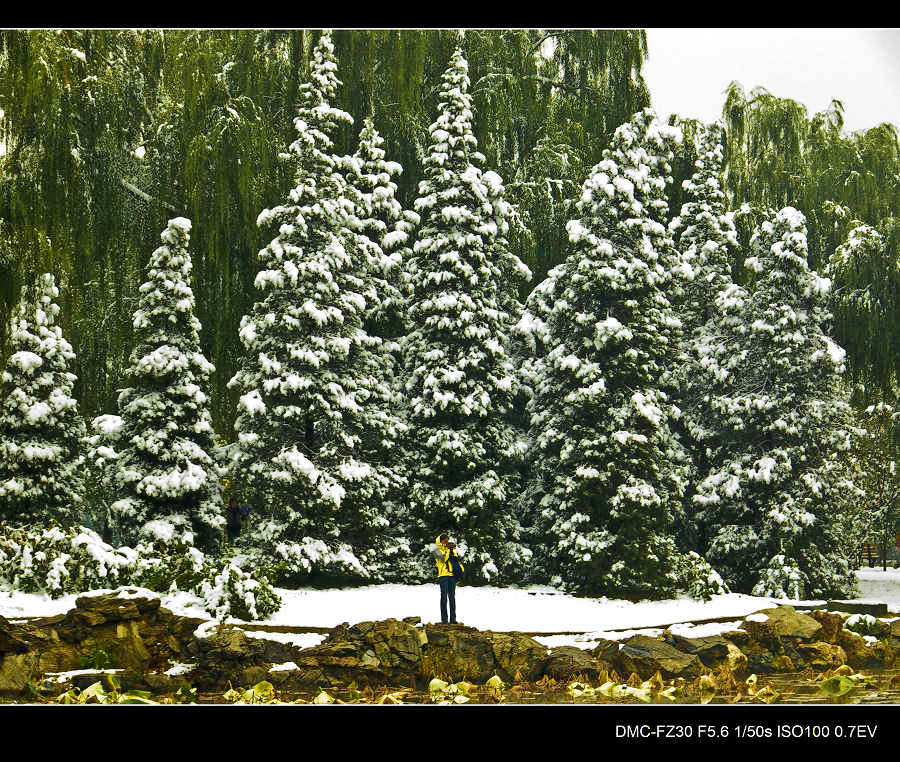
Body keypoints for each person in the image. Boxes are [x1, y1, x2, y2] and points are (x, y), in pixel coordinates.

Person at [433, 533, 464, 624]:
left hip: (451, 576)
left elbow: (455, 560)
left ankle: (453, 619)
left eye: (448, 540)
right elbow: (443, 559)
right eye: (445, 540)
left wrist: (451, 550)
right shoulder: (435, 550)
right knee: (444, 597)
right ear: (441, 541)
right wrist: (447, 550)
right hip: (443, 576)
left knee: (452, 598)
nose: (447, 542)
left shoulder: (450, 549)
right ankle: (444, 620)